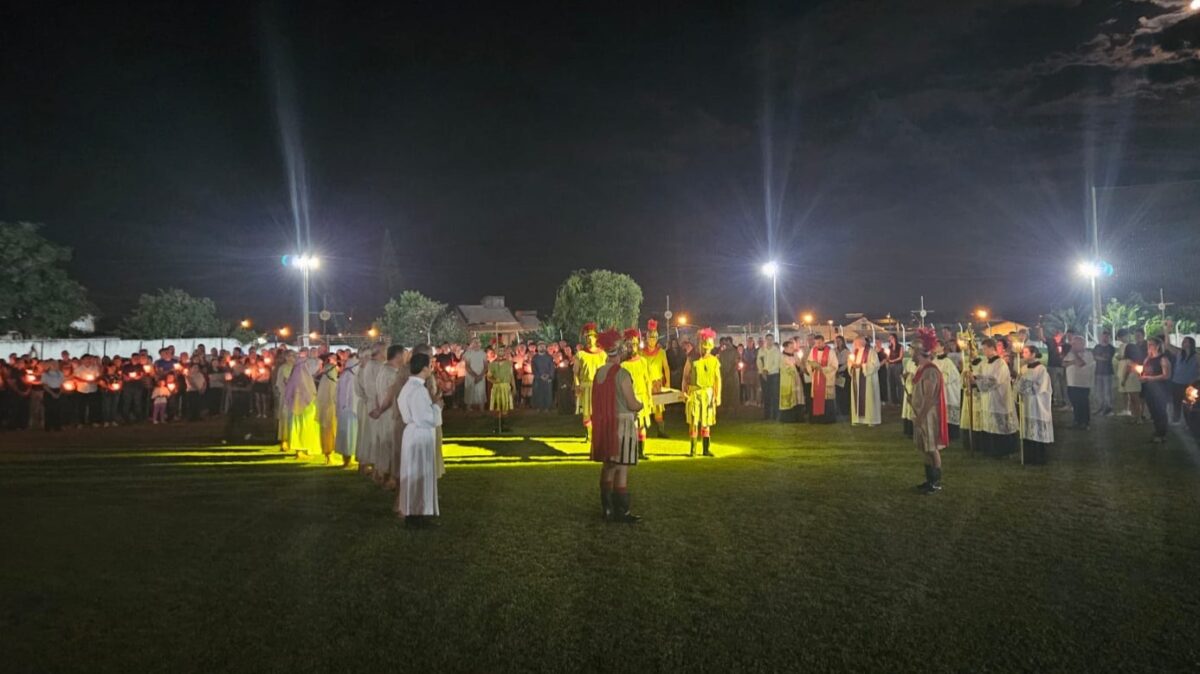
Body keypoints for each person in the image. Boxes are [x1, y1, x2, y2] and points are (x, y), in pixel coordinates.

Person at [589, 328, 644, 523]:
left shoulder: (598, 373)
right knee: (622, 468)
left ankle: (607, 510)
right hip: (622, 424)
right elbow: (631, 403)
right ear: (619, 352)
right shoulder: (622, 374)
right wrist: (641, 405)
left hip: (605, 423)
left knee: (608, 466)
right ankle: (623, 511)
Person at [396, 351, 444, 527]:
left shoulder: (408, 387)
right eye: (430, 365)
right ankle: (417, 514)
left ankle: (415, 512)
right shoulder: (418, 390)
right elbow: (425, 418)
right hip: (419, 435)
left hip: (412, 434)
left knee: (414, 473)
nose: (431, 368)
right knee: (419, 473)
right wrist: (437, 407)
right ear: (424, 368)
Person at [909, 329, 948, 494]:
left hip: (928, 416)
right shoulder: (921, 369)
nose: (910, 353)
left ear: (919, 352)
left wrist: (921, 416)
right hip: (920, 414)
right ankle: (928, 480)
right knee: (924, 448)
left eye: (912, 350)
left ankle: (936, 482)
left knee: (932, 448)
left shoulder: (930, 371)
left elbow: (930, 398)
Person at [973, 338, 1019, 457]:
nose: (983, 351)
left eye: (985, 349)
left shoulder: (1000, 363)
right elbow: (978, 374)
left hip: (999, 398)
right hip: (987, 399)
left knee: (999, 425)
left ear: (992, 348)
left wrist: (977, 380)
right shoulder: (984, 362)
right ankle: (989, 450)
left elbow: (995, 380)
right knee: (989, 424)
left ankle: (1001, 450)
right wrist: (972, 377)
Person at [372, 345, 407, 488]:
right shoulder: (392, 373)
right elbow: (391, 394)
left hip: (383, 413)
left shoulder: (382, 370)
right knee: (392, 446)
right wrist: (381, 409)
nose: (405, 358)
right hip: (390, 413)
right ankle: (391, 478)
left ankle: (380, 474)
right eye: (404, 355)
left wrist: (378, 408)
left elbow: (376, 392)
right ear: (398, 356)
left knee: (384, 445)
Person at [683, 328, 722, 457]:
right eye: (704, 346)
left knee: (706, 422)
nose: (706, 349)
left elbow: (717, 380)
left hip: (708, 394)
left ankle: (706, 450)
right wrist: (684, 391)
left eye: (708, 347)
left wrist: (717, 396)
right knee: (694, 422)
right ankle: (692, 450)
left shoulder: (714, 360)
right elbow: (685, 376)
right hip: (694, 393)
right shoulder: (692, 358)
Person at [1017, 345, 1054, 465]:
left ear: (1033, 354)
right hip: (1027, 403)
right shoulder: (1023, 368)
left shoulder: (1041, 369)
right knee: (1027, 429)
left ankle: (1039, 457)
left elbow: (1041, 386)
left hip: (1037, 403)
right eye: (1023, 352)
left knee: (1037, 429)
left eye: (1026, 352)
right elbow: (1018, 385)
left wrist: (1024, 384)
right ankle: (1028, 456)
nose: (1024, 354)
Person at [574, 323, 607, 441]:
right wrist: (577, 385)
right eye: (586, 337)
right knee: (586, 413)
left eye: (591, 336)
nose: (588, 339)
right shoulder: (580, 354)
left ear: (596, 337)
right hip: (585, 386)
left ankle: (598, 433)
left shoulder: (602, 354)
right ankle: (590, 434)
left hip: (599, 387)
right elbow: (576, 372)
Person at [284, 352, 321, 458]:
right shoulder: (302, 375)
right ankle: (301, 450)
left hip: (297, 408)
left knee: (299, 428)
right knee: (303, 428)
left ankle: (301, 450)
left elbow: (289, 391)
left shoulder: (295, 374)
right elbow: (308, 392)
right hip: (305, 409)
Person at [640, 320, 671, 437]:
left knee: (658, 408)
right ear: (646, 338)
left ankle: (661, 431)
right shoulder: (641, 353)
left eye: (654, 337)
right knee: (644, 407)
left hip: (657, 384)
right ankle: (642, 431)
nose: (652, 340)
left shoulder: (661, 352)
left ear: (657, 338)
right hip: (644, 384)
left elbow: (666, 368)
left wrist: (668, 382)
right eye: (650, 337)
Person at [1139, 337, 1173, 444]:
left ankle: (1162, 434)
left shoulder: (1163, 359)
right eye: (1148, 345)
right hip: (1149, 389)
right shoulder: (1148, 359)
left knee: (1160, 412)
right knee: (1153, 411)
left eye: (1151, 345)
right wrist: (1143, 377)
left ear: (1158, 346)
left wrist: (1149, 378)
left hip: (1160, 390)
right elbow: (1144, 371)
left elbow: (1166, 375)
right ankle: (1157, 431)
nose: (1148, 347)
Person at [1063, 334, 1095, 430]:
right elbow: (1064, 363)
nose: (1073, 346)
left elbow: (1081, 363)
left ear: (1082, 344)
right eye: (1073, 344)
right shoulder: (1070, 353)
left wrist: (1074, 356)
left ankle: (1085, 422)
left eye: (1075, 344)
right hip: (1072, 383)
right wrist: (1073, 361)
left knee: (1083, 404)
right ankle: (1077, 421)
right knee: (1075, 403)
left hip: (1083, 384)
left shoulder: (1088, 354)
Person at [849, 336, 881, 426]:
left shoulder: (871, 352)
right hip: (856, 378)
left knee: (869, 398)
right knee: (857, 398)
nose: (854, 345)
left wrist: (862, 366)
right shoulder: (855, 352)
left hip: (868, 379)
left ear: (862, 342)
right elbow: (850, 363)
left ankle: (871, 420)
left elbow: (876, 365)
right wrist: (852, 366)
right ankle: (857, 419)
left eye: (856, 343)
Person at [932, 339, 961, 440]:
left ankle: (952, 434)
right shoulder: (934, 361)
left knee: (949, 414)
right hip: (938, 391)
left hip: (948, 391)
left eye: (937, 345)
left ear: (942, 348)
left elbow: (953, 375)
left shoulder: (948, 362)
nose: (934, 347)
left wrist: (940, 377)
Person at [806, 334, 838, 424]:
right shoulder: (813, 350)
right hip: (816, 377)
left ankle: (827, 419)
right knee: (816, 398)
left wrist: (823, 369)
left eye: (819, 342)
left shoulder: (830, 351)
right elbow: (808, 363)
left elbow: (834, 366)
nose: (817, 344)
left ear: (824, 341)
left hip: (826, 378)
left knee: (826, 399)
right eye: (816, 343)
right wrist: (812, 367)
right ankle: (816, 419)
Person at [315, 354, 339, 463]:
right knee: (329, 428)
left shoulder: (326, 378)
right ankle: (329, 452)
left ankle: (328, 452)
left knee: (327, 428)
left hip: (327, 405)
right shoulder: (332, 372)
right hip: (330, 406)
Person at [1170, 337, 1197, 425]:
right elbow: (1167, 345)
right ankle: (1176, 420)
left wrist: (1196, 379)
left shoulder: (1196, 356)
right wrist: (1166, 331)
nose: (1183, 343)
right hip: (1176, 383)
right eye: (1183, 341)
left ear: (1190, 344)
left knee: (1188, 404)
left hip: (1189, 385)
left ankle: (1189, 422)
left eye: (1185, 341)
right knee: (1176, 403)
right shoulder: (1179, 353)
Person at [488, 345, 515, 432]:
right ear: (496, 352)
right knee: (497, 407)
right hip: (497, 387)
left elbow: (511, 376)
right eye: (499, 350)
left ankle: (504, 425)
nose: (501, 352)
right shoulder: (492, 364)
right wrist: (494, 380)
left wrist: (514, 387)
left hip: (506, 386)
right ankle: (496, 426)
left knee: (505, 407)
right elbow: (488, 376)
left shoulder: (508, 363)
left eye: (502, 350)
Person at [778, 339, 804, 422]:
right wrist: (792, 368)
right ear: (785, 348)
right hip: (787, 381)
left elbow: (799, 364)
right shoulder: (782, 357)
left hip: (796, 380)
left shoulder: (795, 355)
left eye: (793, 347)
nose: (793, 349)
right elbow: (785, 368)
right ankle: (788, 418)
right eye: (790, 347)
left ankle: (798, 417)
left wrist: (800, 366)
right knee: (788, 399)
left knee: (797, 398)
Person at [1117, 342, 1144, 424]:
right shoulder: (1136, 360)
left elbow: (1127, 371)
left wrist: (1123, 381)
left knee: (1135, 400)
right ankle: (1136, 416)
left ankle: (1138, 417)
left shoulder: (1129, 360)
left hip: (1130, 380)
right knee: (1135, 399)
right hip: (1134, 380)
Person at [757, 334, 781, 420]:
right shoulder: (761, 350)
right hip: (763, 375)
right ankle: (766, 415)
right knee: (766, 395)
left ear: (773, 340)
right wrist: (762, 371)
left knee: (774, 395)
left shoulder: (776, 351)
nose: (769, 341)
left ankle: (775, 415)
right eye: (768, 339)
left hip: (773, 375)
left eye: (771, 339)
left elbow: (776, 363)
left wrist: (767, 371)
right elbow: (759, 361)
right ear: (765, 340)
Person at [1092, 331, 1116, 416]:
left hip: (1108, 372)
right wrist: (1100, 357)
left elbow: (1106, 358)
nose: (1105, 338)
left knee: (1107, 392)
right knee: (1099, 391)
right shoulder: (1097, 347)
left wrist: (1098, 357)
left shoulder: (1111, 348)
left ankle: (1108, 408)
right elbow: (1095, 357)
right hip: (1098, 372)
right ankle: (1101, 407)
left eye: (1106, 337)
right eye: (1103, 336)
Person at [531, 342, 555, 411]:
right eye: (540, 346)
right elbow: (534, 368)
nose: (541, 347)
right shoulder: (534, 358)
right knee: (538, 393)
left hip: (548, 378)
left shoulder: (549, 357)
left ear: (545, 347)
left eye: (543, 346)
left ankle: (547, 407)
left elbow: (552, 368)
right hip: (538, 378)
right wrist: (539, 376)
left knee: (547, 393)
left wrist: (549, 376)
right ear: (537, 348)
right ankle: (538, 407)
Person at [885, 334, 905, 406]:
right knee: (891, 383)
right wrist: (888, 359)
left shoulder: (900, 346)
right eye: (889, 338)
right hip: (890, 366)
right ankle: (894, 400)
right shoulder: (889, 347)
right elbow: (888, 355)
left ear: (894, 338)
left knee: (899, 383)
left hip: (897, 365)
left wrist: (893, 360)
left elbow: (901, 356)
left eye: (891, 338)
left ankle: (900, 399)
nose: (890, 339)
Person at [834, 335, 850, 420]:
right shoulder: (834, 350)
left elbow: (847, 363)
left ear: (843, 341)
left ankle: (845, 410)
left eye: (839, 341)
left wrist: (840, 370)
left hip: (843, 372)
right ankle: (838, 409)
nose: (838, 342)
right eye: (836, 341)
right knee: (838, 392)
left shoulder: (847, 351)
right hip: (836, 372)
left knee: (844, 392)